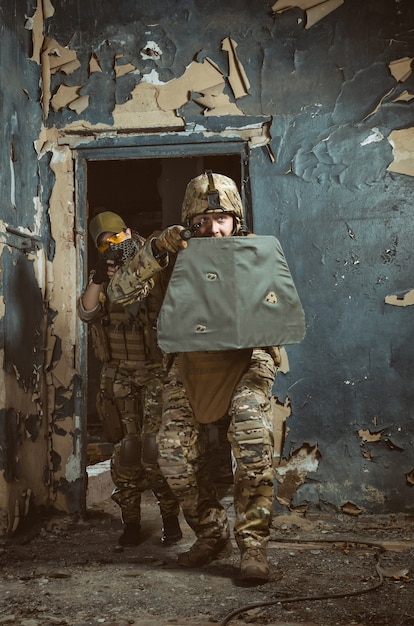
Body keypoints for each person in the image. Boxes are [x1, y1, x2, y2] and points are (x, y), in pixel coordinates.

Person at [107, 173, 281, 584]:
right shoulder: (169, 255)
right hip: (189, 361)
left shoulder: (257, 251)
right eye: (203, 220)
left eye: (222, 217)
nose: (213, 227)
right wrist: (155, 250)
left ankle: (253, 546)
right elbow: (117, 292)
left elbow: (281, 306)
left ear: (236, 218)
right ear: (188, 222)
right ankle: (212, 532)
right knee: (171, 453)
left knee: (253, 438)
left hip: (245, 357)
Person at [78, 210, 182, 547]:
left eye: (116, 237)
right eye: (104, 243)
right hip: (119, 374)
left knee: (153, 450)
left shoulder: (153, 260)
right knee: (126, 451)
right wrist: (99, 278)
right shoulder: (105, 275)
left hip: (154, 371)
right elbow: (87, 312)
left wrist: (141, 265)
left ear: (128, 232)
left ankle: (170, 520)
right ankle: (132, 523)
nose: (112, 245)